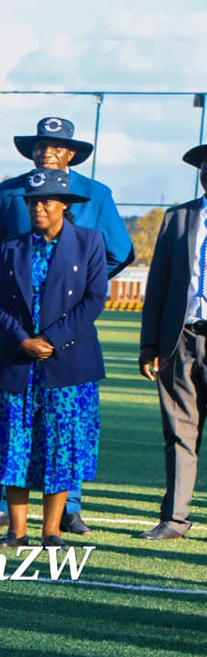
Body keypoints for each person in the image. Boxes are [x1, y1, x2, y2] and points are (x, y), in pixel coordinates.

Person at [0, 116, 134, 535]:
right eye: (39, 144)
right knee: (16, 434)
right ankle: (7, 512)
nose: (45, 150)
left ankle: (68, 511)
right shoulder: (12, 190)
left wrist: (77, 278)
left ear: (71, 153)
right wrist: (24, 284)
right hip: (20, 329)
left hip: (69, 337)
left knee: (64, 435)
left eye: (56, 145)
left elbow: (119, 251)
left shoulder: (96, 195)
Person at [0, 168, 107, 551]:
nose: (38, 208)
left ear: (63, 206)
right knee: (15, 445)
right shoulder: (12, 247)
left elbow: (94, 299)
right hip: (18, 363)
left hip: (68, 364)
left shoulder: (89, 243)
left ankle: (51, 531)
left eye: (46, 201)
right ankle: (16, 532)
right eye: (32, 201)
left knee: (61, 446)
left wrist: (50, 340)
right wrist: (23, 341)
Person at [137, 143, 207, 542]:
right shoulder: (178, 218)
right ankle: (175, 519)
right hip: (180, 340)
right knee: (180, 432)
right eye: (205, 165)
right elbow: (158, 286)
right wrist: (150, 345)